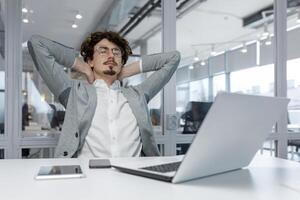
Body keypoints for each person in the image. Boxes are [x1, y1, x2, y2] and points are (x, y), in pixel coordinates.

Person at [27, 31, 181, 158]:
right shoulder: (74, 93)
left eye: (116, 53)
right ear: (91, 60)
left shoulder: (137, 94)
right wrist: (84, 67)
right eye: (103, 51)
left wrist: (125, 70)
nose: (111, 56)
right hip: (89, 181)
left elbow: (173, 58)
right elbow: (37, 43)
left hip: (134, 179)